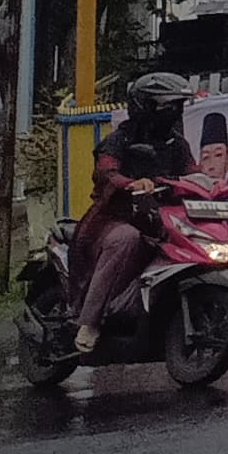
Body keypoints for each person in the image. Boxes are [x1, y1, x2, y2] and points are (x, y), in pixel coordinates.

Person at [58, 70, 200, 352]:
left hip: (159, 218)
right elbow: (106, 172)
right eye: (167, 105)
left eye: (177, 106)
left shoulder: (177, 144)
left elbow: (193, 174)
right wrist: (131, 183)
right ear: (145, 107)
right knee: (127, 239)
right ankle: (89, 322)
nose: (174, 112)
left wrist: (220, 187)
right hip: (113, 218)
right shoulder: (118, 141)